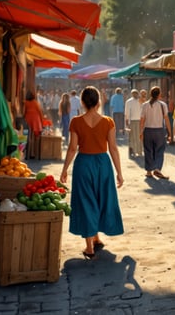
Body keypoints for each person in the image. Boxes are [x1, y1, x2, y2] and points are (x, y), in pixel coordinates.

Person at [59, 86, 124, 260]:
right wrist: (119, 172)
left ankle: (90, 244)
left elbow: (72, 148)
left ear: (82, 102)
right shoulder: (108, 121)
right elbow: (114, 148)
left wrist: (64, 169)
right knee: (102, 199)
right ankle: (94, 238)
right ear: (98, 102)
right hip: (103, 164)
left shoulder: (76, 122)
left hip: (84, 164)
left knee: (86, 201)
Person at [140, 86, 172, 180]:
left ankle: (149, 171)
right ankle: (157, 168)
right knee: (159, 150)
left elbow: (142, 120)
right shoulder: (163, 105)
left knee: (148, 150)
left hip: (148, 131)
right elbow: (166, 120)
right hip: (159, 131)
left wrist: (141, 132)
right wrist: (170, 132)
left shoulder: (145, 105)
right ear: (159, 94)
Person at [23, 90, 44, 158]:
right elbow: (40, 112)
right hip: (35, 120)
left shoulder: (25, 103)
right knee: (35, 137)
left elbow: (24, 112)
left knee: (28, 137)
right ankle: (33, 153)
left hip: (28, 119)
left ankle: (28, 154)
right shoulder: (35, 103)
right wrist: (42, 121)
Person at [125, 89, 143, 157]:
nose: (135, 94)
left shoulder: (139, 101)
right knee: (135, 137)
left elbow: (127, 113)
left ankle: (138, 151)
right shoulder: (129, 101)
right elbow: (127, 113)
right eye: (134, 93)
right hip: (133, 120)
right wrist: (127, 122)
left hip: (138, 120)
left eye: (136, 93)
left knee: (137, 136)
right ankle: (136, 151)